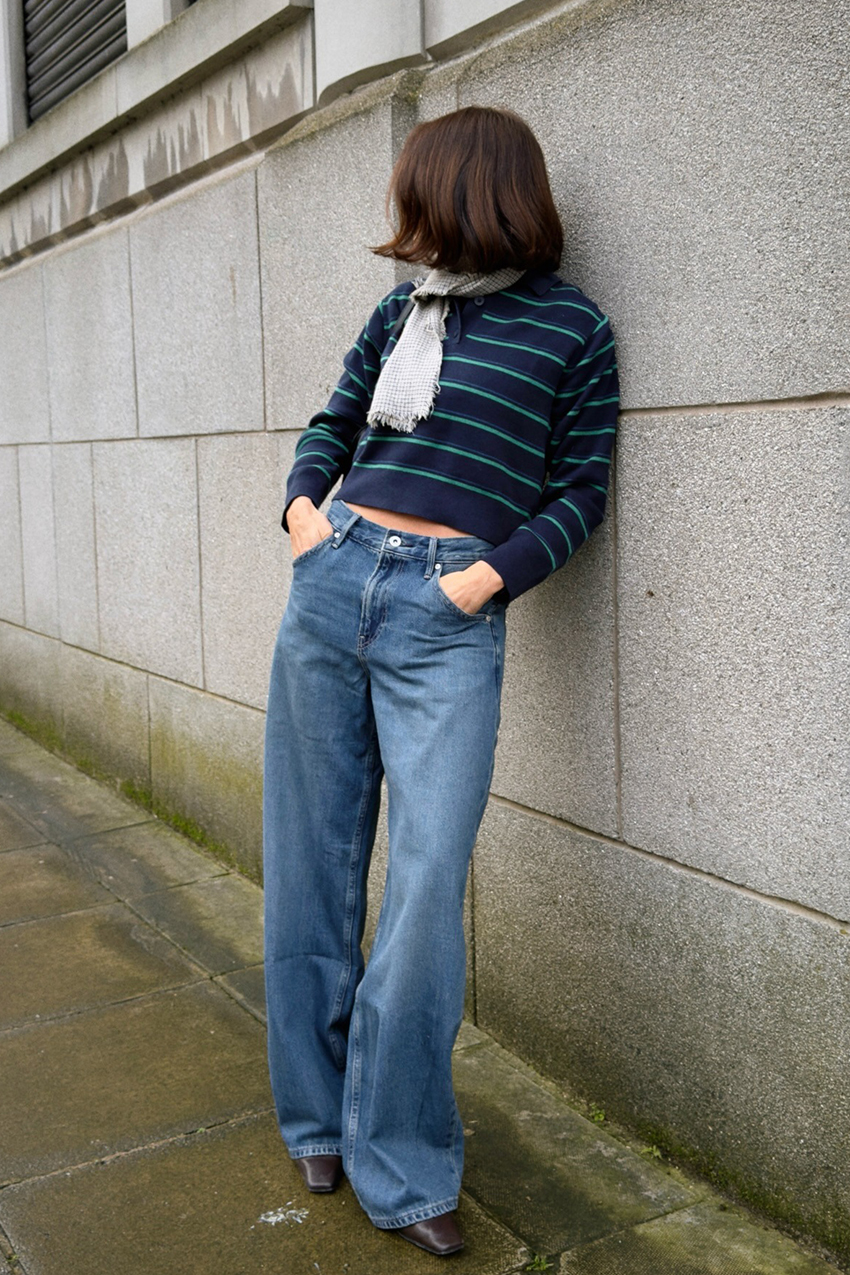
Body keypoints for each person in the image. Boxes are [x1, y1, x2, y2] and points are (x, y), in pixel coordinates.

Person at [263, 104, 619, 1257]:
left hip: (445, 615)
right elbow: (332, 421)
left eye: (414, 194)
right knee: (311, 861)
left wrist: (484, 582)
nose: (399, 218)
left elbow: (580, 488)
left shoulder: (574, 330)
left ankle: (403, 1164)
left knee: (423, 893)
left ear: (465, 190)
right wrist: (303, 515)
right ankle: (314, 1118)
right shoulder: (398, 310)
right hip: (334, 579)